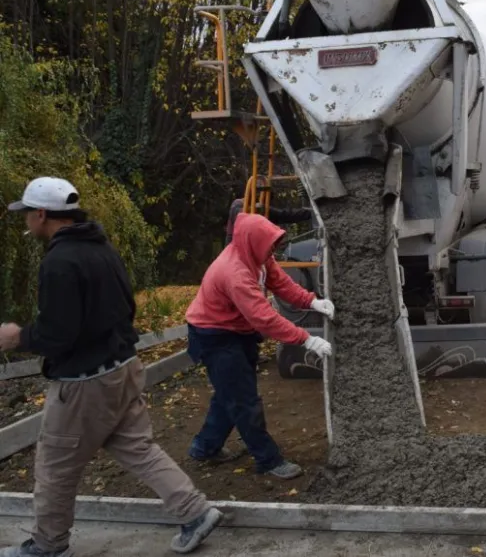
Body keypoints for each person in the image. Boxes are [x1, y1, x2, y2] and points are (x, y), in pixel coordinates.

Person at [0, 177, 221, 557]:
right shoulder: (102, 248)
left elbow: (57, 334)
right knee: (139, 448)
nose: (25, 222)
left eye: (27, 215)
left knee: (54, 465)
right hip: (123, 367)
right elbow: (127, 308)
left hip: (84, 384)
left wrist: (17, 336)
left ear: (41, 214)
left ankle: (48, 546)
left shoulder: (59, 262)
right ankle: (195, 512)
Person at [184, 211, 334, 480]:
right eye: (269, 246)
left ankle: (204, 447)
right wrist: (306, 339)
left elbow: (281, 284)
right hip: (214, 335)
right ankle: (268, 459)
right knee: (243, 401)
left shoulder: (259, 256)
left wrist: (311, 301)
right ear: (253, 242)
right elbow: (264, 318)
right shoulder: (234, 272)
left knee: (229, 393)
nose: (272, 252)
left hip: (237, 330)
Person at [225, 196, 312, 247]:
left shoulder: (262, 210)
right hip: (236, 250)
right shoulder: (237, 206)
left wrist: (310, 213)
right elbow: (240, 215)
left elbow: (284, 215)